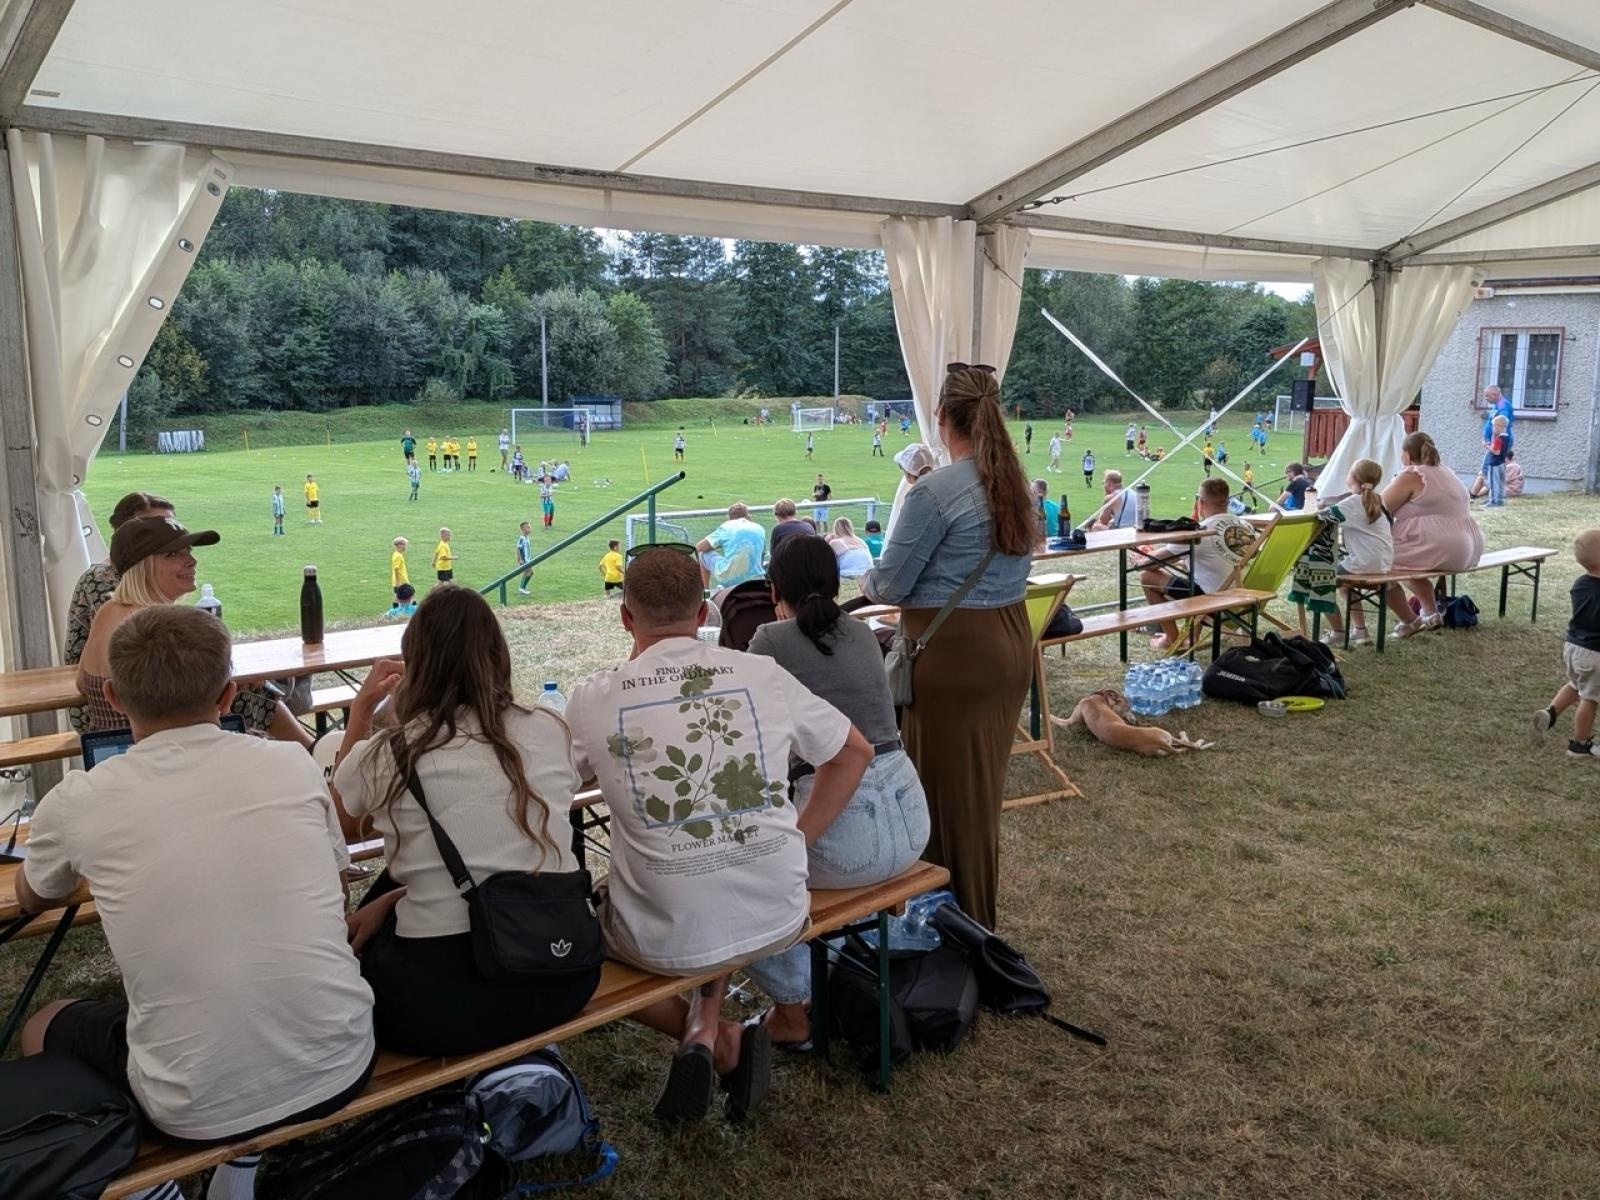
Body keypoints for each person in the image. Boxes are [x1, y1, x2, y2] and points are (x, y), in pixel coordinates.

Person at [19, 606, 375, 1156]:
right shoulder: (293, 765)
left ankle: (140, 1184)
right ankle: (244, 1165)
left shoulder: (78, 801)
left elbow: (31, 894)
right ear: (229, 695)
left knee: (42, 1023)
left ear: (111, 698)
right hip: (344, 1059)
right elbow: (336, 882)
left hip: (194, 1109)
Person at [563, 546, 871, 1121]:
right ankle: (709, 1025)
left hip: (666, 936)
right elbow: (854, 751)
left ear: (625, 618)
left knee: (577, 948)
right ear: (704, 610)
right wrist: (795, 840)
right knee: (711, 854)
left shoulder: (593, 698)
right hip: (779, 908)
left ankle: (713, 1032)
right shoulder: (763, 674)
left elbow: (540, 785)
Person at [330, 588, 600, 1055]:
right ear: (498, 655)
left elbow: (339, 823)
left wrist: (361, 716)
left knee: (351, 955)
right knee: (402, 884)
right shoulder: (548, 727)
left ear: (413, 662)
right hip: (565, 972)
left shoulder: (391, 750)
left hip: (439, 1006)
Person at [861, 364, 1036, 930]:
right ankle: (972, 918)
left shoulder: (935, 490)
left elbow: (890, 584)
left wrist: (863, 581)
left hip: (955, 651)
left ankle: (954, 931)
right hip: (1009, 643)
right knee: (977, 796)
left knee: (940, 799)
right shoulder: (1012, 481)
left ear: (941, 419)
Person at [743, 536, 930, 1049]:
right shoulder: (864, 635)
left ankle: (792, 1007)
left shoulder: (770, 641)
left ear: (773, 589)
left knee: (738, 874)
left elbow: (747, 736)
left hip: (846, 836)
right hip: (911, 818)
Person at [76, 516, 312, 747]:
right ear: (142, 567)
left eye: (188, 550)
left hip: (110, 750)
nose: (191, 560)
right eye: (173, 554)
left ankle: (313, 754)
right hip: (155, 752)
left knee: (256, 696)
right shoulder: (148, 625)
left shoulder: (108, 610)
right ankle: (315, 757)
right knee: (259, 698)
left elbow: (81, 683)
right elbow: (180, 704)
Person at [65, 491, 176, 734]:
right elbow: (130, 654)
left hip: (135, 692)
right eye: (154, 528)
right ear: (125, 534)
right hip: (102, 701)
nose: (165, 536)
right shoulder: (103, 581)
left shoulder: (150, 576)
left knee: (252, 696)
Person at [1382, 431, 1484, 637]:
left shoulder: (1412, 475)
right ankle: (1430, 612)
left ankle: (1409, 620)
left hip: (1437, 545)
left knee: (1381, 562)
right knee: (1406, 562)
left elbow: (1380, 507)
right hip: (1469, 547)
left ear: (1406, 456)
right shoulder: (1447, 472)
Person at [1138, 478, 1257, 649]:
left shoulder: (1200, 532)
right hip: (1241, 600)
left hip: (1213, 604)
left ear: (1200, 502)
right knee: (1198, 576)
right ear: (1227, 501)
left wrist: (1143, 559)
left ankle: (1172, 639)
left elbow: (1149, 565)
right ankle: (1192, 636)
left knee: (1147, 577)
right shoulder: (1245, 525)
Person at [1529, 529, 1600, 761]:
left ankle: (1550, 713)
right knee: (1589, 699)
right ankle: (1580, 744)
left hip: (1573, 647)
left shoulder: (1580, 584)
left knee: (1574, 684)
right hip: (1595, 653)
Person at [1317, 459, 1394, 646]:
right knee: (1344, 586)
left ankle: (1338, 632)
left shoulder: (1352, 502)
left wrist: (1322, 503)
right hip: (1383, 563)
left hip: (1363, 563)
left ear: (1353, 477)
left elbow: (1323, 516)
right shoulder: (1378, 499)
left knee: (1319, 581)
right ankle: (1360, 630)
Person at [696, 502, 767, 590]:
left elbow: (699, 547)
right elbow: (762, 555)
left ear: (729, 517)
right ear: (748, 516)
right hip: (756, 578)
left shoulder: (726, 527)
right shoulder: (760, 528)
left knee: (702, 554)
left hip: (730, 578)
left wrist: (716, 545)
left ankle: (706, 591)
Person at [1484, 414, 1510, 507]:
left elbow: (1496, 452)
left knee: (1493, 482)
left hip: (1494, 464)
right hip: (1502, 464)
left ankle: (1493, 501)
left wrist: (1487, 446)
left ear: (1500, 426)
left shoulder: (1498, 439)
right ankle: (1500, 500)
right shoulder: (1506, 437)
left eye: (1494, 426)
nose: (1493, 428)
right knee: (1500, 482)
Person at [1032, 479, 1060, 544]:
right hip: (1056, 540)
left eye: (1032, 492)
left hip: (1044, 541)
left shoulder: (1035, 508)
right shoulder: (1056, 506)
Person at [516, 521, 534, 595]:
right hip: (524, 560)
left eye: (529, 527)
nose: (529, 529)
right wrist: (520, 559)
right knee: (530, 572)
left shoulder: (527, 538)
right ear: (523, 529)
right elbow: (518, 549)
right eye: (527, 527)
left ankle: (521, 588)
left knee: (526, 573)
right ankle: (522, 588)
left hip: (527, 559)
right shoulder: (522, 538)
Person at [391, 537, 410, 604]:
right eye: (404, 545)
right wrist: (398, 582)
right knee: (407, 596)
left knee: (397, 596)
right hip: (401, 581)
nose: (405, 547)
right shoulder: (398, 556)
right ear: (399, 545)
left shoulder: (396, 554)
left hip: (399, 580)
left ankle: (395, 611)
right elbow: (396, 569)